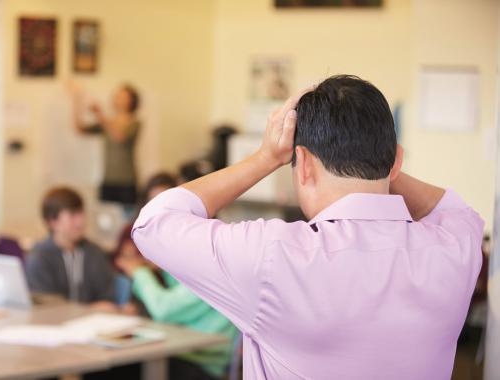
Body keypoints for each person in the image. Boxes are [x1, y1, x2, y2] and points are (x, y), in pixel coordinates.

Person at [131, 75, 484, 379]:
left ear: (302, 165)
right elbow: (455, 210)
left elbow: (154, 221)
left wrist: (266, 157)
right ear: (396, 162)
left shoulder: (272, 256)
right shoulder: (455, 248)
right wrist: (378, 161)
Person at [116, 172, 238, 380]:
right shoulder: (200, 246)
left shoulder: (211, 257)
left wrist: (140, 271)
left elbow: (164, 309)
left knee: (119, 369)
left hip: (202, 362)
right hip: (183, 350)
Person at [25, 187, 118, 309]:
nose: (81, 221)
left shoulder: (95, 253)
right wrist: (89, 309)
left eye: (81, 213)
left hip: (94, 324)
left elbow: (108, 297)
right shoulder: (39, 257)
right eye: (73, 215)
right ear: (53, 221)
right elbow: (44, 303)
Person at [73, 84, 141, 209]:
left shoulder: (135, 122)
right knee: (106, 218)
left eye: (122, 96)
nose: (117, 99)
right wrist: (77, 101)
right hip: (107, 179)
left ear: (131, 100)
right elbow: (80, 129)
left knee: (127, 219)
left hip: (127, 181)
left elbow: (119, 137)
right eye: (117, 96)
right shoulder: (108, 123)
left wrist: (99, 114)